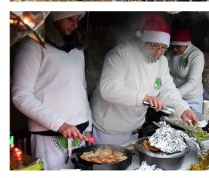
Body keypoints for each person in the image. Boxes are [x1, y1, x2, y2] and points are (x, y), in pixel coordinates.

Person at [90, 13, 198, 145]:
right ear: (143, 41)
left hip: (134, 130)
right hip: (107, 131)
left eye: (164, 48)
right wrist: (144, 98)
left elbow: (167, 89)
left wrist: (182, 109)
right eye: (155, 46)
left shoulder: (162, 61)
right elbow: (108, 89)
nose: (159, 52)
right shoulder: (121, 54)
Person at [11, 12, 92, 170]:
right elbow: (20, 95)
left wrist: (88, 127)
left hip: (80, 133)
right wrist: (59, 124)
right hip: (48, 135)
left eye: (78, 19)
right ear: (53, 18)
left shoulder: (77, 50)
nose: (75, 25)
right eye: (70, 18)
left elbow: (82, 89)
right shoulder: (32, 46)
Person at [167, 28, 205, 114]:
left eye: (178, 46)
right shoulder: (170, 53)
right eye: (173, 46)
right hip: (173, 96)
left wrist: (174, 95)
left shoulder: (196, 55)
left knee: (191, 124)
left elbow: (193, 82)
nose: (174, 49)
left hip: (191, 98)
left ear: (186, 44)